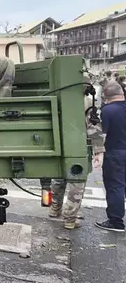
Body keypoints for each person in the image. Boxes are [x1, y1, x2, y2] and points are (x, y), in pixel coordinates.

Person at [49, 74, 104, 229]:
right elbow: (94, 127)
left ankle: (55, 209)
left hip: (58, 146)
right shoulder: (87, 103)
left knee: (58, 180)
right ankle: (70, 219)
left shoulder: (58, 99)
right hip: (78, 147)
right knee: (76, 183)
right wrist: (99, 151)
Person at [95, 81, 126, 232]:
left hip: (115, 153)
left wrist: (98, 154)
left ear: (106, 96)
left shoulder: (107, 110)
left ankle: (116, 221)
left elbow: (102, 136)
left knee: (115, 186)